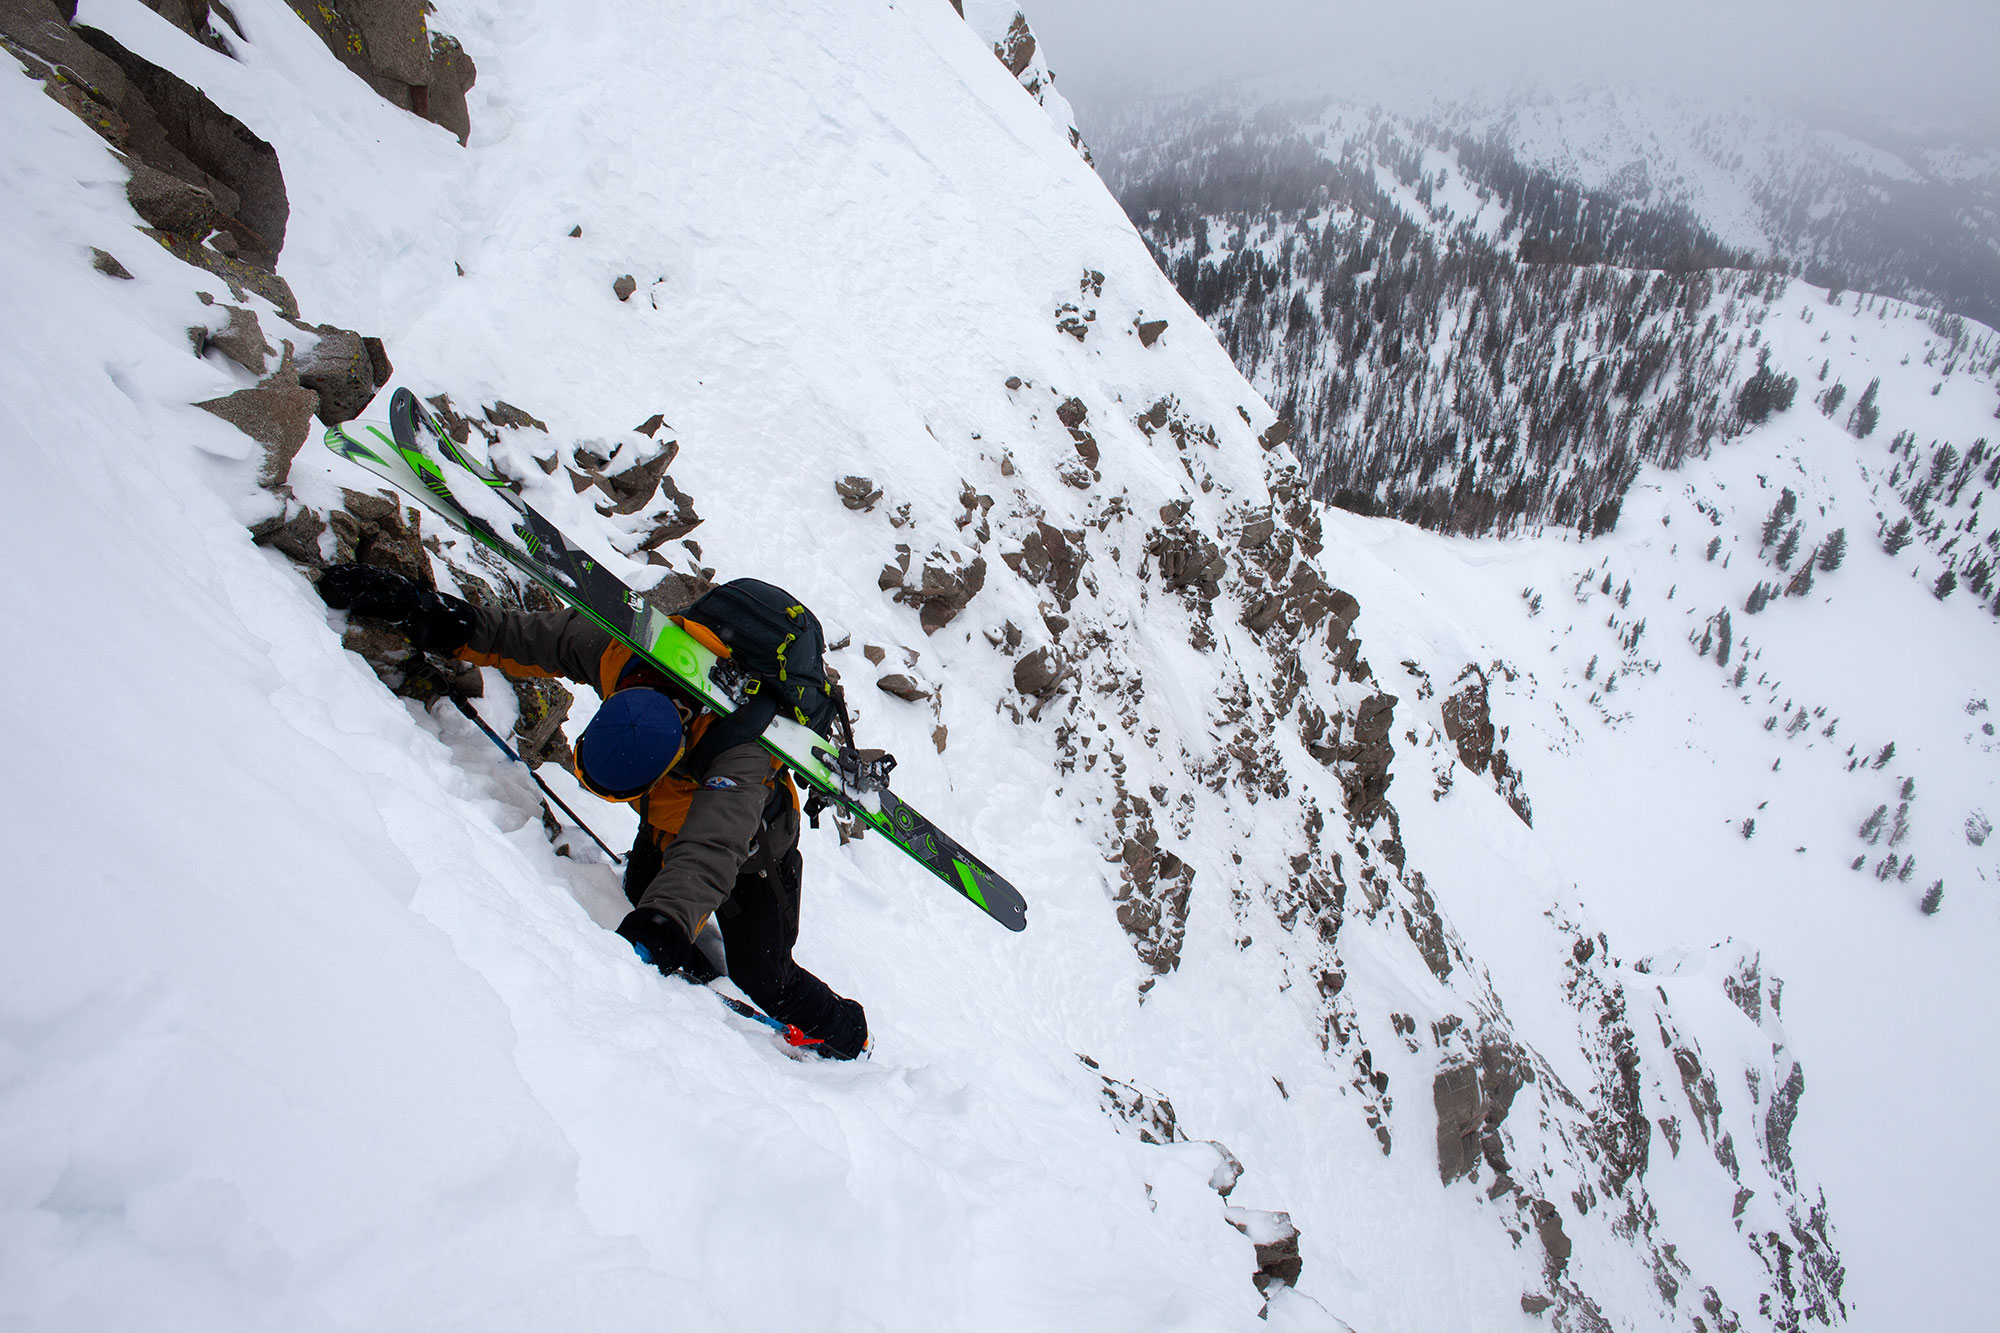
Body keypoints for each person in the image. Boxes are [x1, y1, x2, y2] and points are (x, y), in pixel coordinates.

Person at [315, 562, 870, 1059]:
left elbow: (713, 846)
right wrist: (432, 617)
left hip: (756, 856)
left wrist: (664, 923)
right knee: (640, 897)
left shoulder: (740, 751)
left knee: (763, 976)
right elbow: (526, 637)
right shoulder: (620, 655)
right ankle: (691, 967)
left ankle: (849, 1034)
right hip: (662, 826)